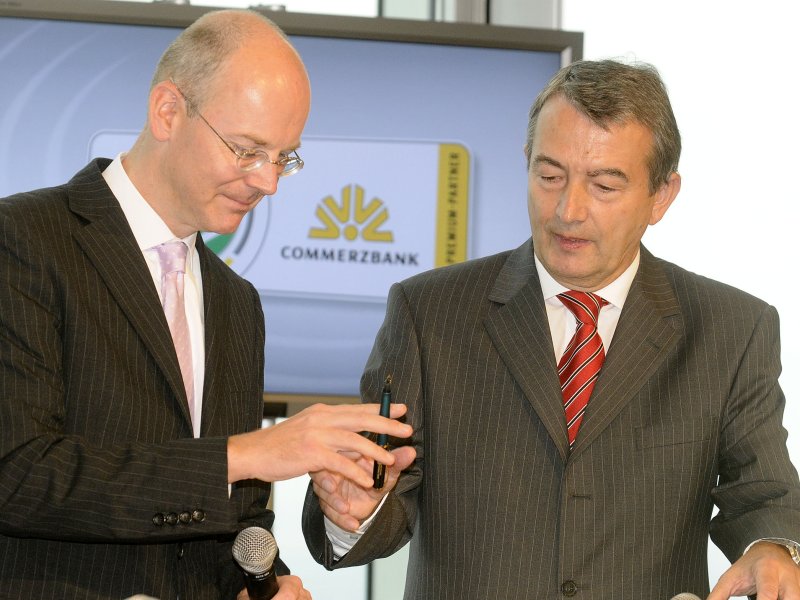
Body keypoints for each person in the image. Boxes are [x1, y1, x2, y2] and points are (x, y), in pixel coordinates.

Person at [302, 59, 800, 599]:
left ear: (661, 196)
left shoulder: (732, 328)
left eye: (604, 185)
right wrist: (355, 510)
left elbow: (763, 492)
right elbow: (382, 490)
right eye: (549, 176)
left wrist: (774, 548)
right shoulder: (429, 312)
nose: (569, 210)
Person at [0, 9, 411, 600]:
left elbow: (234, 522)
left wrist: (259, 584)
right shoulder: (23, 238)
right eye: (247, 150)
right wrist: (243, 455)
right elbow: (17, 473)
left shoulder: (236, 303)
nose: (269, 182)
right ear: (168, 111)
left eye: (284, 157)